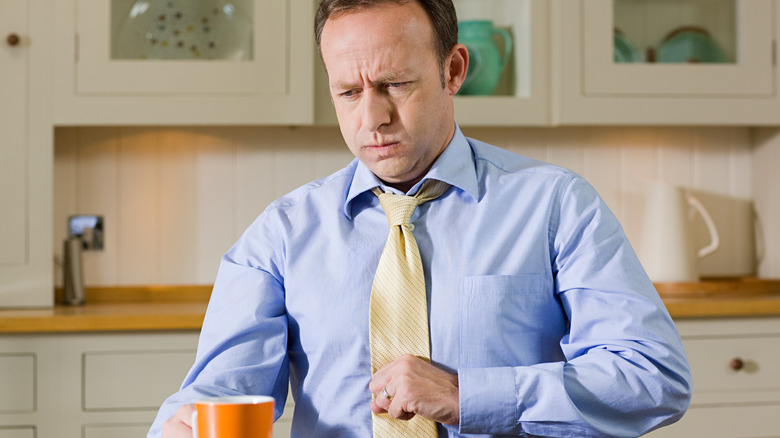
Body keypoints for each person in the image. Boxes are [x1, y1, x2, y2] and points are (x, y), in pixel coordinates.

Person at [149, 0, 692, 436]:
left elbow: (653, 378)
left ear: (453, 70)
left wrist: (468, 396)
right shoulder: (280, 234)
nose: (372, 117)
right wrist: (182, 426)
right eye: (348, 92)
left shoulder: (555, 205)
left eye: (395, 84)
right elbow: (221, 393)